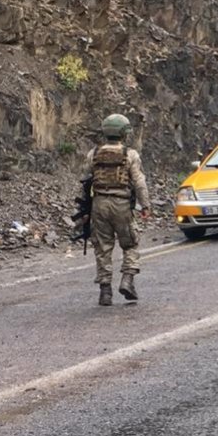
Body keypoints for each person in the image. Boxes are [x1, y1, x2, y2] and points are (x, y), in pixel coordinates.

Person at [83, 114, 152, 306]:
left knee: (102, 248)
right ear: (123, 133)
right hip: (121, 204)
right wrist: (145, 205)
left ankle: (105, 292)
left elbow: (85, 182)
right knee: (130, 244)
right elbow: (139, 183)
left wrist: (84, 210)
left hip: (99, 204)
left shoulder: (93, 153)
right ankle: (127, 280)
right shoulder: (130, 155)